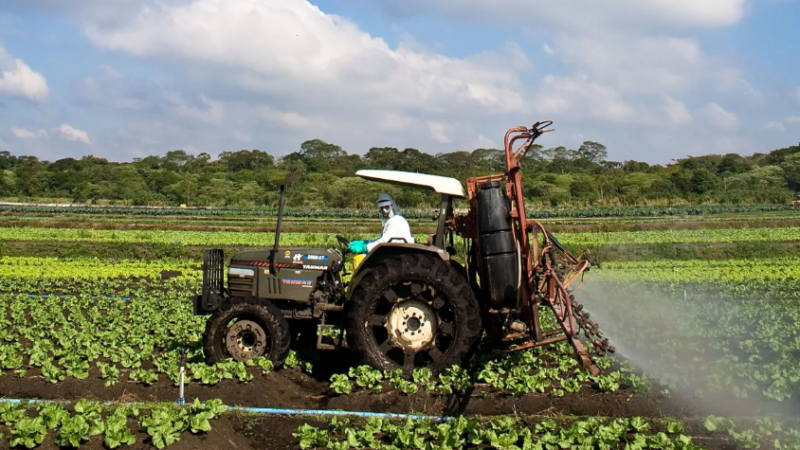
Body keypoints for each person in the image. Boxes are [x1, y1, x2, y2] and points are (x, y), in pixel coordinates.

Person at [347, 193, 415, 254]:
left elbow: (384, 241)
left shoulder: (397, 220)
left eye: (386, 208)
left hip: (396, 254)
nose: (384, 211)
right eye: (382, 209)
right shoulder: (393, 220)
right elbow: (382, 239)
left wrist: (366, 247)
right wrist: (366, 242)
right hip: (394, 251)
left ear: (392, 207)